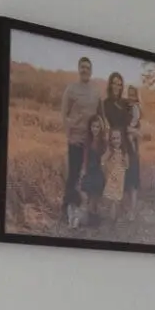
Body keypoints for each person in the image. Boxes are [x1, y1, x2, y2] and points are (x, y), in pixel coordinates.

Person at [59, 56, 101, 227]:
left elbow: (99, 116)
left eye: (87, 67)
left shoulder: (95, 92)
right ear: (78, 69)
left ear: (91, 71)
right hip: (75, 140)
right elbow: (64, 114)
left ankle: (89, 213)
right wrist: (69, 135)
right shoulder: (71, 89)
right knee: (74, 175)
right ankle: (67, 209)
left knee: (90, 177)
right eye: (82, 67)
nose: (85, 70)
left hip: (90, 142)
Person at [99, 73, 139, 218]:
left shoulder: (125, 103)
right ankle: (116, 209)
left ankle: (132, 211)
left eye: (120, 84)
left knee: (132, 174)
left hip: (128, 142)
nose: (117, 86)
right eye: (115, 83)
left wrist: (133, 133)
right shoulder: (106, 103)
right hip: (115, 141)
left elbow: (134, 120)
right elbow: (105, 125)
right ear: (110, 84)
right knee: (115, 175)